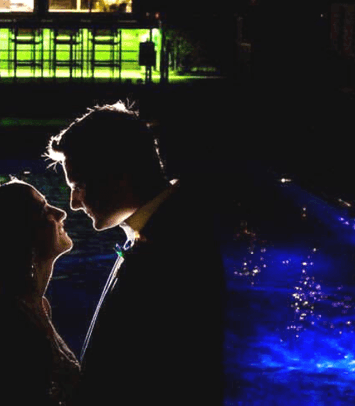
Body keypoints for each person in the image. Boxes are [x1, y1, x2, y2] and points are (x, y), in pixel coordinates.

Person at [46, 101, 226, 405]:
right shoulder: (168, 226)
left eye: (80, 186)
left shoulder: (171, 251)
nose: (74, 203)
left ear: (118, 175)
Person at [0, 180, 80, 406]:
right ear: (22, 234)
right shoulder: (14, 322)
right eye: (44, 209)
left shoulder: (35, 305)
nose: (61, 212)